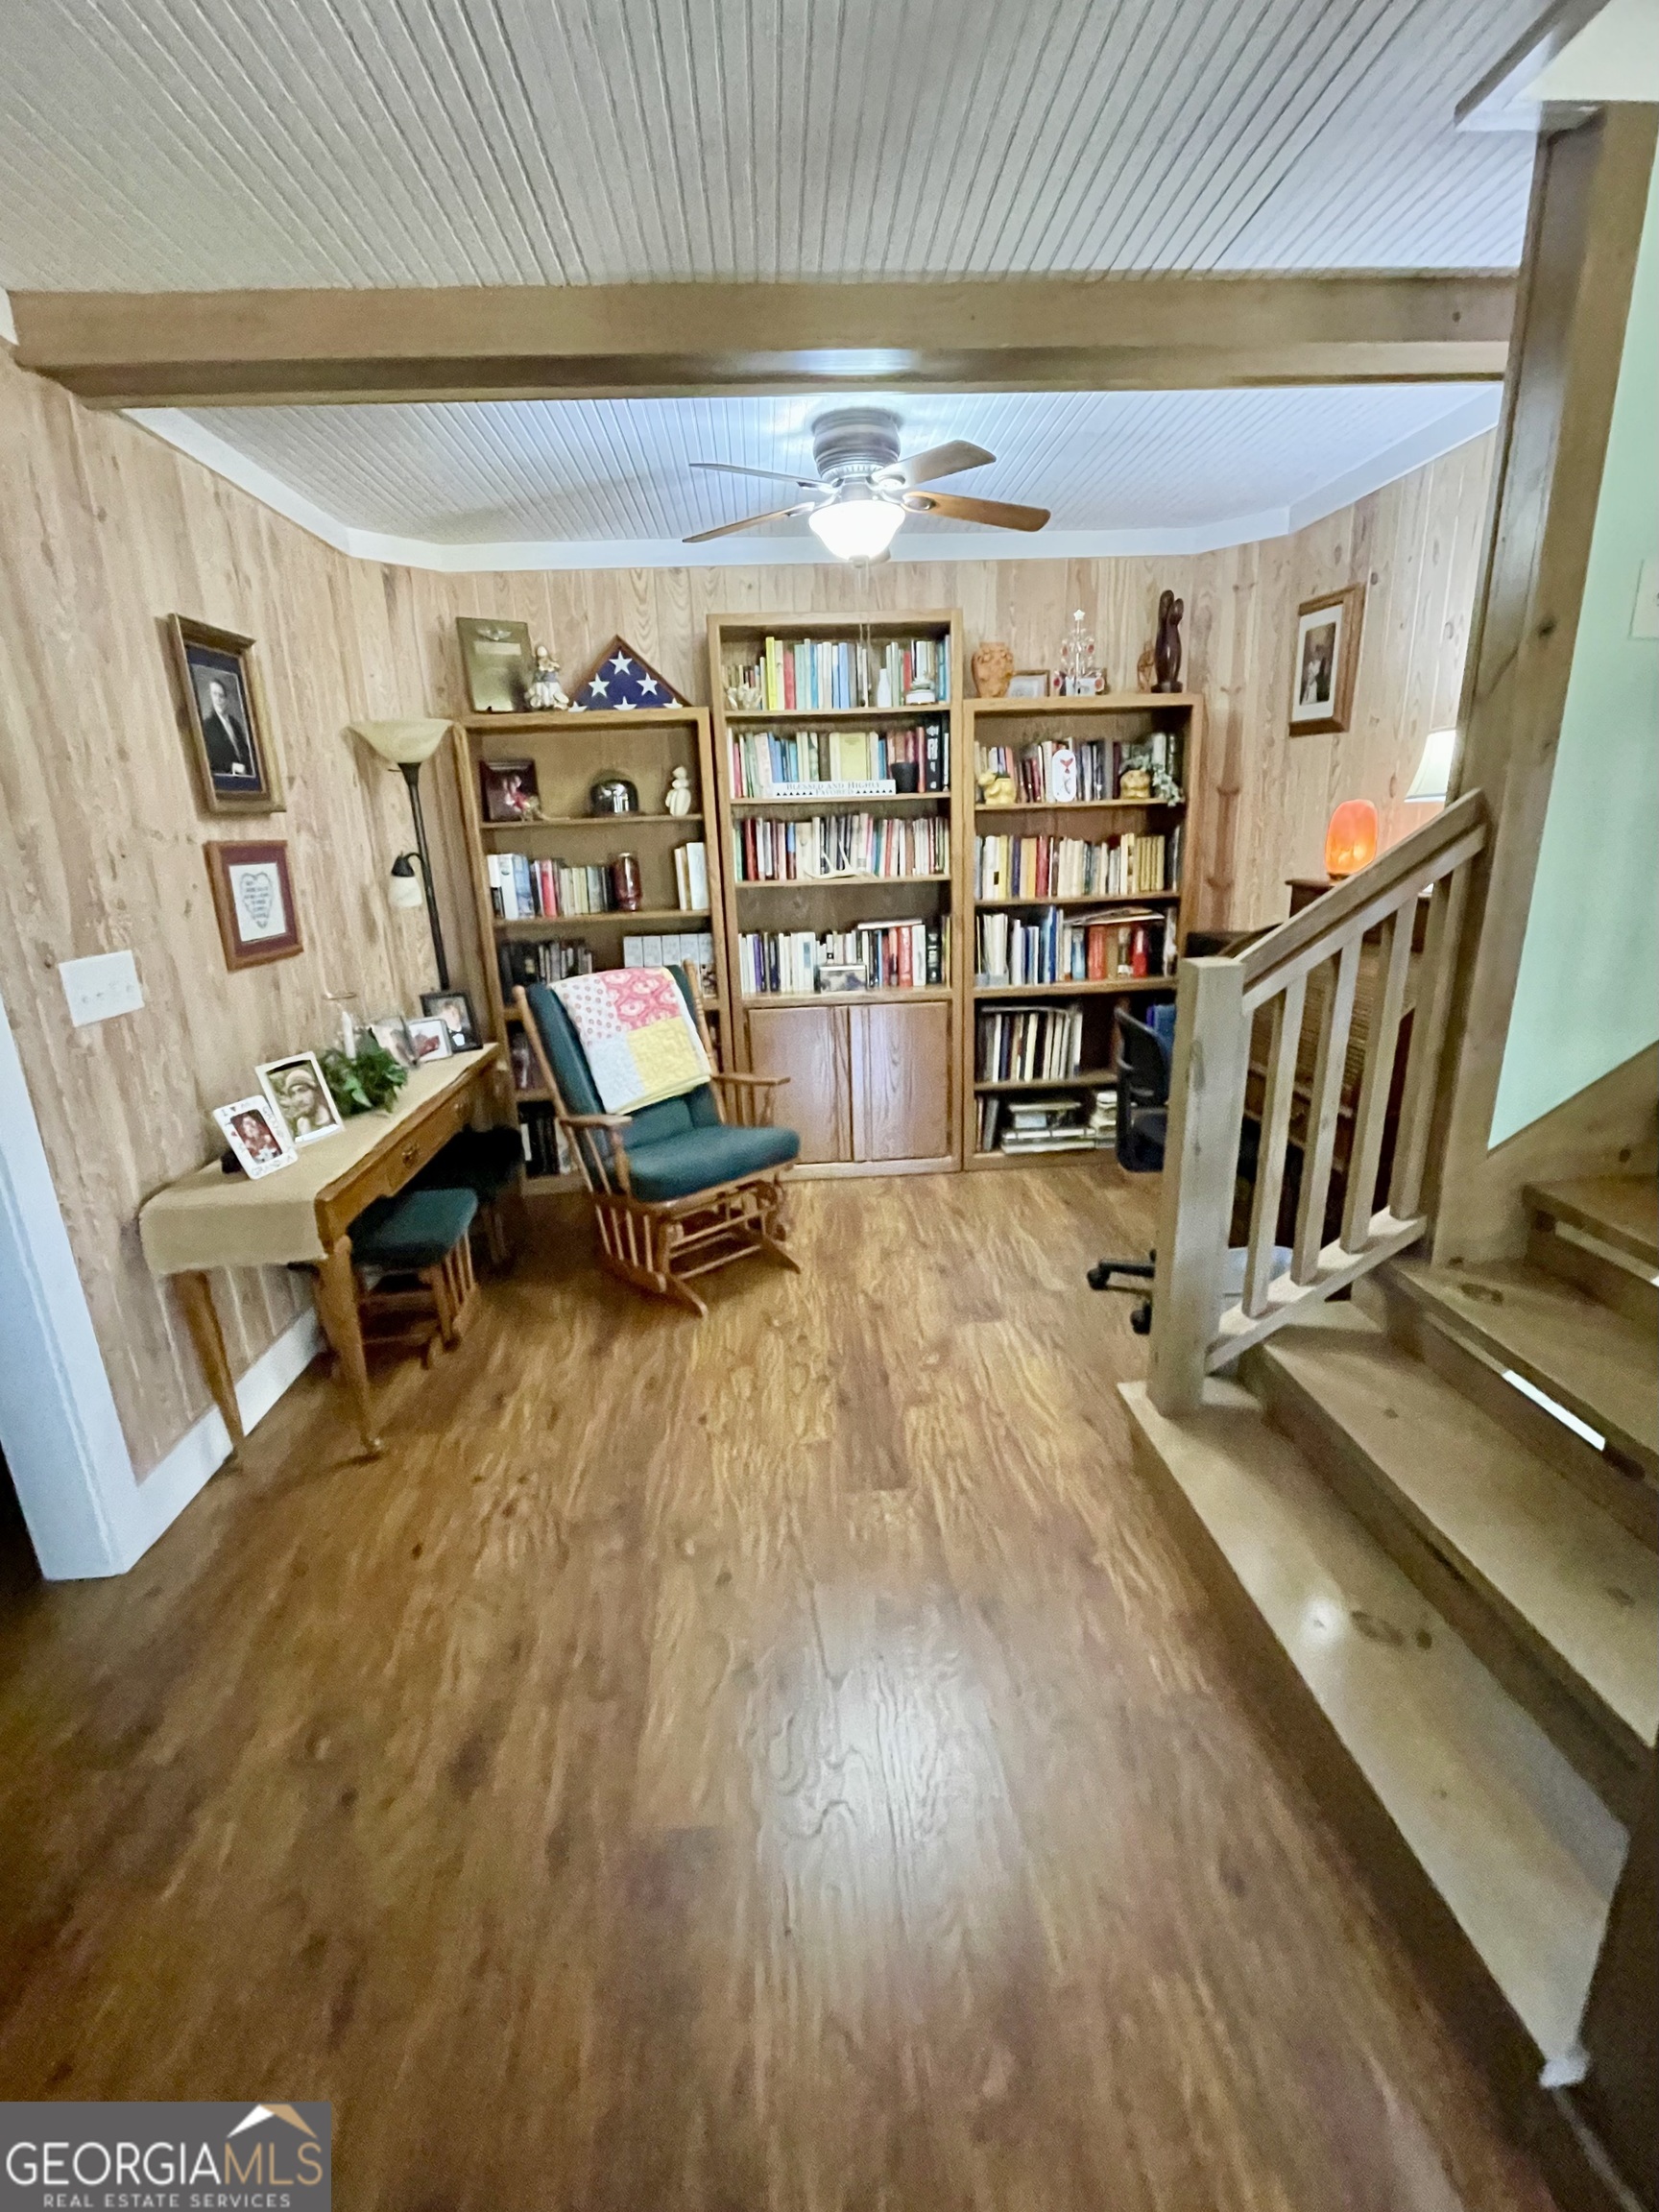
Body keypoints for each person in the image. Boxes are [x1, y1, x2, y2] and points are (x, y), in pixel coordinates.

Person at [199, 673, 257, 781]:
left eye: (221, 696)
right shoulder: (207, 726)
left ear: (226, 699)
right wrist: (232, 766)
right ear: (211, 697)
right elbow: (209, 760)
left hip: (245, 778)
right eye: (215, 695)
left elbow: (245, 751)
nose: (218, 699)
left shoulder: (235, 723)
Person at [270, 1060, 332, 1138]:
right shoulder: (301, 1124)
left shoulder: (330, 1119)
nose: (298, 1099)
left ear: (315, 1092)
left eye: (302, 1090)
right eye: (292, 1094)